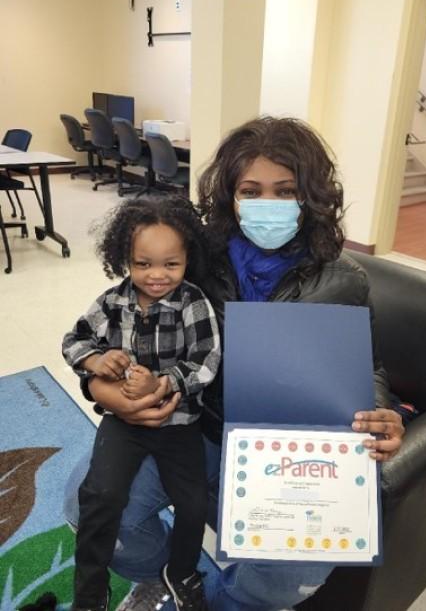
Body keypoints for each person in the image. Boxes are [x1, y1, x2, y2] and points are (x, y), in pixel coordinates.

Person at [64, 117, 407, 611]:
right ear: (229, 195)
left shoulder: (344, 279)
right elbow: (117, 331)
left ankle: (224, 603)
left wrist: (378, 412)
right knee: (84, 504)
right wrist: (98, 388)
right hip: (193, 428)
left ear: (310, 197)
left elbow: (365, 364)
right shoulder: (194, 257)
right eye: (252, 190)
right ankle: (168, 581)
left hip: (286, 448)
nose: (269, 204)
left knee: (299, 569)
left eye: (286, 191)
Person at [62, 196, 221, 611]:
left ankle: (181, 571)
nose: (156, 276)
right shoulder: (113, 302)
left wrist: (165, 382)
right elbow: (73, 340)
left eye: (171, 264)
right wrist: (97, 360)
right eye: (142, 263)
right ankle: (90, 593)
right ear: (124, 259)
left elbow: (207, 361)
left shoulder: (193, 303)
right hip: (123, 422)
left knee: (192, 502)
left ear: (188, 259)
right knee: (99, 494)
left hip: (180, 422)